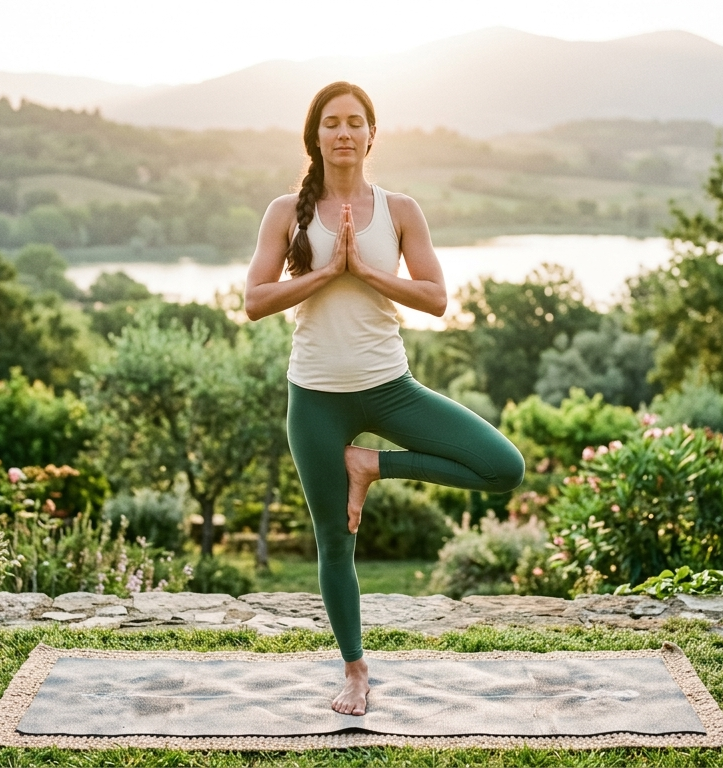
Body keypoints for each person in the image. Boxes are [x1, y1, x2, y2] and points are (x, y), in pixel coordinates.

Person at [243, 82, 525, 716]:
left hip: (390, 389)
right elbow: (255, 301)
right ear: (315, 136)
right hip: (316, 398)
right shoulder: (285, 212)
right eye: (332, 123)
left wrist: (365, 271)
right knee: (334, 541)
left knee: (503, 467)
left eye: (355, 122)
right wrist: (325, 272)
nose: (344, 132)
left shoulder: (400, 210)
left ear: (372, 135)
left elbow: (436, 298)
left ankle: (371, 465)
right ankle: (354, 669)